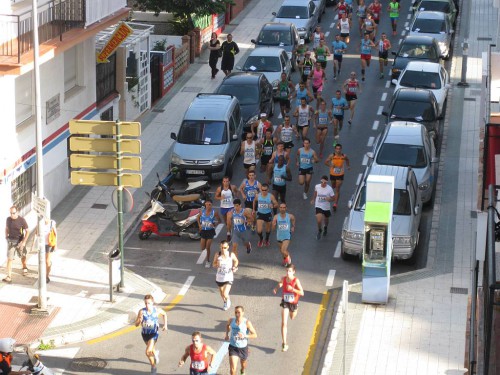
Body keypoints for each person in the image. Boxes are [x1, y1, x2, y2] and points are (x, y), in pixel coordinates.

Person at [272, 264, 304, 352]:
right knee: (284, 322)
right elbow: (281, 283)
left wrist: (292, 289)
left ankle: (296, 309)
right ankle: (284, 343)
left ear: (293, 272)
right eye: (287, 271)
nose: (288, 273)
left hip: (293, 303)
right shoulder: (284, 278)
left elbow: (302, 293)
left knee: (292, 317)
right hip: (285, 301)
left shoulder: (296, 280)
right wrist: (276, 288)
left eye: (290, 271)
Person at [134, 294, 168, 374]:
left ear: (152, 303)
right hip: (145, 334)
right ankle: (155, 354)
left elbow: (164, 314)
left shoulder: (157, 310)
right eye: (145, 303)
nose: (147, 305)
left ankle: (153, 367)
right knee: (151, 349)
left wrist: (165, 325)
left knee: (147, 351)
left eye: (148, 303)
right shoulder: (142, 311)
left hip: (154, 334)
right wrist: (139, 319)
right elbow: (136, 324)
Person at [225, 306, 257, 375]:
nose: (237, 314)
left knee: (243, 364)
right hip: (233, 347)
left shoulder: (247, 322)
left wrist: (245, 336)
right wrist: (227, 334)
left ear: (243, 313)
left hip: (243, 348)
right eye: (235, 312)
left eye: (239, 312)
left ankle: (242, 370)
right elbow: (227, 325)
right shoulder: (231, 320)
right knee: (233, 369)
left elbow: (255, 335)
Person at [3, 206, 29, 283]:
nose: (12, 215)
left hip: (19, 241)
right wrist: (6, 236)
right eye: (10, 213)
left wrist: (23, 242)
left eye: (13, 213)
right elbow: (7, 228)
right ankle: (9, 276)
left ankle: (24, 267)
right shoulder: (8, 219)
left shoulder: (22, 220)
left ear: (17, 212)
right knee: (9, 258)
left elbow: (27, 231)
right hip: (11, 241)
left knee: (22, 255)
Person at [213, 240, 239, 310]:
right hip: (219, 277)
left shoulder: (231, 254)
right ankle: (225, 302)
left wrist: (235, 267)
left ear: (227, 247)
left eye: (224, 247)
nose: (223, 249)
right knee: (222, 294)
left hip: (228, 277)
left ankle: (228, 300)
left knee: (225, 293)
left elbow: (236, 261)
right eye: (221, 247)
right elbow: (213, 264)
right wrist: (217, 265)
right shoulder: (217, 254)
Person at [325, 144, 350, 211]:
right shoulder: (332, 156)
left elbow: (347, 160)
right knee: (333, 185)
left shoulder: (343, 156)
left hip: (340, 174)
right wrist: (331, 165)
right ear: (335, 149)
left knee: (337, 188)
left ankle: (335, 204)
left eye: (339, 149)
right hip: (332, 174)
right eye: (337, 149)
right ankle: (333, 194)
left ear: (341, 149)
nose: (338, 150)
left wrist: (348, 166)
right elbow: (326, 162)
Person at [198, 199, 221, 268]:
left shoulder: (214, 212)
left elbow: (219, 220)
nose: (208, 206)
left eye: (209, 205)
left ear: (212, 205)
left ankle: (208, 261)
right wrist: (199, 225)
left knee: (208, 247)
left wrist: (214, 224)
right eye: (206, 204)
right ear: (205, 205)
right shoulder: (202, 212)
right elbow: (197, 217)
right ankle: (207, 257)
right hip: (203, 231)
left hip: (210, 231)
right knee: (202, 248)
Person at [253, 183, 278, 247]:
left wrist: (273, 205)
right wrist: (253, 209)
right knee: (259, 230)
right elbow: (254, 201)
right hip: (260, 214)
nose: (264, 191)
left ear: (268, 190)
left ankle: (266, 239)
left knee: (268, 229)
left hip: (268, 214)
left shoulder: (271, 196)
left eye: (265, 190)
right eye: (262, 190)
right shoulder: (258, 196)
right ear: (261, 189)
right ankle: (261, 239)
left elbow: (276, 204)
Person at [272, 203, 296, 267]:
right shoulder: (276, 217)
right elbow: (273, 229)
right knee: (282, 251)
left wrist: (293, 226)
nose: (282, 209)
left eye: (284, 207)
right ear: (279, 208)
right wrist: (273, 225)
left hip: (287, 236)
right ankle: (285, 260)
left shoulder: (290, 216)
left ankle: (289, 260)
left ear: (286, 208)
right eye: (281, 207)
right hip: (279, 236)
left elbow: (293, 220)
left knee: (283, 250)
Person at [37, 217, 57, 283]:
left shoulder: (52, 223)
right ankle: (43, 273)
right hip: (42, 244)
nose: (46, 220)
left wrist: (55, 245)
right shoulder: (40, 223)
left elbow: (55, 234)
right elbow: (36, 233)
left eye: (47, 219)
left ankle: (46, 276)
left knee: (47, 261)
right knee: (42, 260)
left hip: (49, 244)